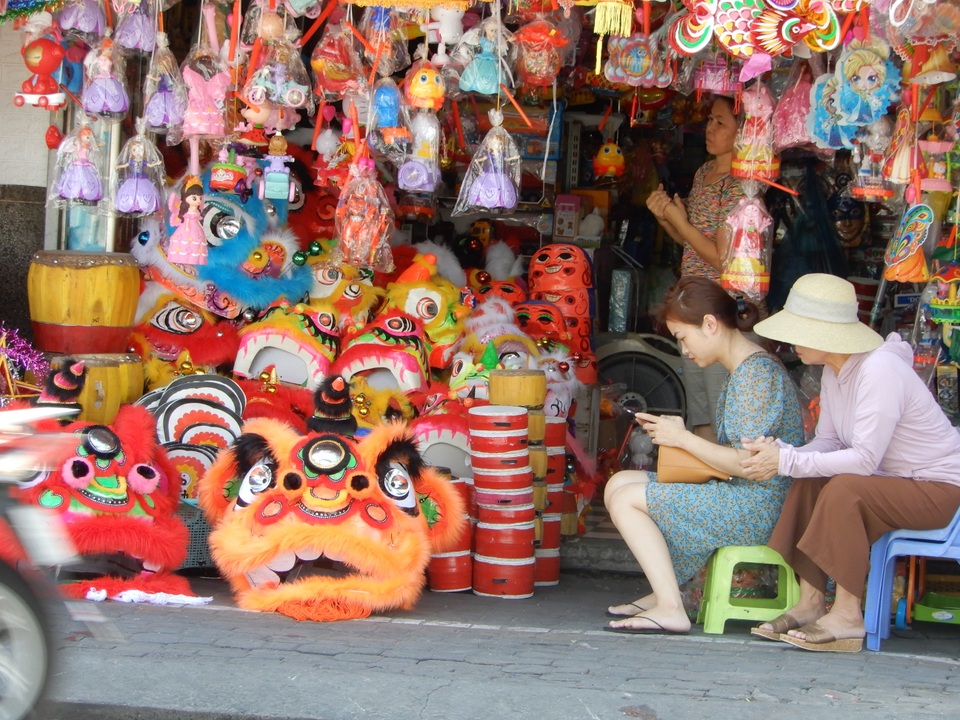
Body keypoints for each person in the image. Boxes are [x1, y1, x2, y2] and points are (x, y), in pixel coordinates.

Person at [743, 273, 960, 652]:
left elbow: (863, 459)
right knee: (811, 481)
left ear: (826, 333)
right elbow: (827, 442)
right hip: (891, 482)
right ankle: (811, 602)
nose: (792, 342)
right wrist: (779, 453)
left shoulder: (878, 370)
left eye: (799, 331)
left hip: (938, 489)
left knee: (844, 487)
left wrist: (787, 460)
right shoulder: (834, 371)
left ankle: (847, 614)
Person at [603, 276, 804, 635]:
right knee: (618, 482)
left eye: (682, 337)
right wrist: (677, 436)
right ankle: (663, 594)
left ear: (710, 324)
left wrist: (681, 438)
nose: (683, 350)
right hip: (744, 495)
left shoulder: (756, 377)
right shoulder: (742, 370)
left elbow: (746, 464)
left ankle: (670, 606)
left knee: (627, 499)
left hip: (759, 506)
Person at [646, 96, 746, 440]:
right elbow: (690, 242)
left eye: (721, 122)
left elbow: (722, 259)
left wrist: (678, 219)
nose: (710, 128)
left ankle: (725, 482)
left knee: (721, 402)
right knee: (698, 402)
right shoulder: (705, 172)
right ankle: (703, 479)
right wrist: (665, 217)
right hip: (692, 303)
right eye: (710, 120)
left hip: (718, 309)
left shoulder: (739, 185)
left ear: (744, 131)